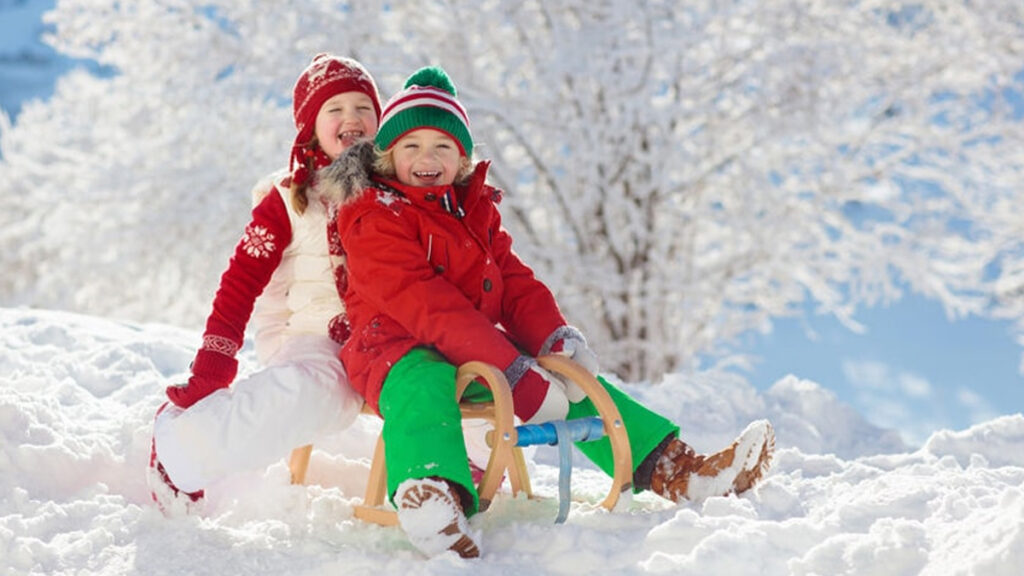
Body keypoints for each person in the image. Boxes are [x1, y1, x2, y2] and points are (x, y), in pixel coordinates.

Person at [323, 66, 776, 559]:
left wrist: (551, 340)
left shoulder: (472, 210)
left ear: (462, 158)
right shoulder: (372, 213)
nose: (426, 158)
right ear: (388, 157)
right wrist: (511, 370)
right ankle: (436, 497)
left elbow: (514, 283)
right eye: (411, 147)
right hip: (394, 347)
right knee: (422, 384)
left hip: (472, 352)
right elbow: (424, 302)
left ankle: (676, 469)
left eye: (442, 147)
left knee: (568, 379)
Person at [146, 53, 382, 514]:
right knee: (325, 394)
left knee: (450, 364)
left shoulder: (398, 187)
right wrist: (213, 364)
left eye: (363, 107)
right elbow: (240, 282)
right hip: (313, 337)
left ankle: (459, 468)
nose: (351, 118)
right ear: (311, 127)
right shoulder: (288, 198)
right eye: (334, 109)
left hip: (386, 337)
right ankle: (183, 446)